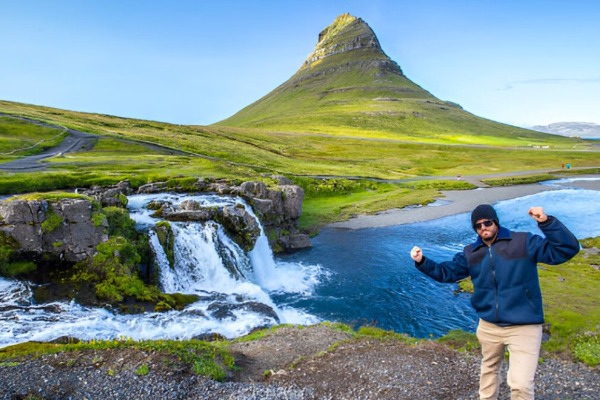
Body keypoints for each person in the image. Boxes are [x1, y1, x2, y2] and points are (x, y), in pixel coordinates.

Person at [410, 204, 580, 400]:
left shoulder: (523, 242)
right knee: (488, 373)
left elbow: (566, 249)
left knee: (521, 384)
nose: (483, 228)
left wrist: (546, 222)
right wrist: (422, 261)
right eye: (478, 225)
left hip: (525, 325)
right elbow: (445, 272)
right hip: (489, 326)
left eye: (487, 222)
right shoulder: (471, 253)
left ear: (495, 222)